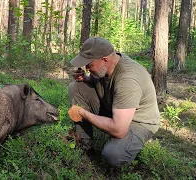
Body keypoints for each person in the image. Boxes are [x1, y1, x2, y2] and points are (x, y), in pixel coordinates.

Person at [67, 37, 160, 167]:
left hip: (138, 122)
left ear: (105, 60)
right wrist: (84, 78)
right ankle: (84, 144)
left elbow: (118, 130)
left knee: (113, 154)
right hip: (114, 108)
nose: (87, 68)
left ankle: (138, 142)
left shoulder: (128, 79)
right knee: (76, 87)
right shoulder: (107, 66)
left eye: (89, 64)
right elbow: (103, 82)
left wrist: (82, 113)